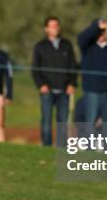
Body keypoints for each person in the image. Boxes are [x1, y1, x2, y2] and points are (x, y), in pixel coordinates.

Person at [31, 17, 77, 147]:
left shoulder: (67, 45)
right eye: (52, 26)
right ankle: (46, 147)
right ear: (46, 29)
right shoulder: (40, 46)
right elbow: (35, 69)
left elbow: (73, 66)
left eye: (56, 25)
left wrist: (72, 84)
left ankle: (61, 148)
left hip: (64, 90)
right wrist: (41, 85)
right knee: (46, 121)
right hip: (47, 90)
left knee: (63, 122)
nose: (55, 28)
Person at [77, 18, 107, 137]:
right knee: (90, 120)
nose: (101, 34)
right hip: (92, 91)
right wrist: (97, 26)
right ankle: (90, 148)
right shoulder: (87, 46)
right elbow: (81, 37)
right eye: (99, 31)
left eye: (103, 31)